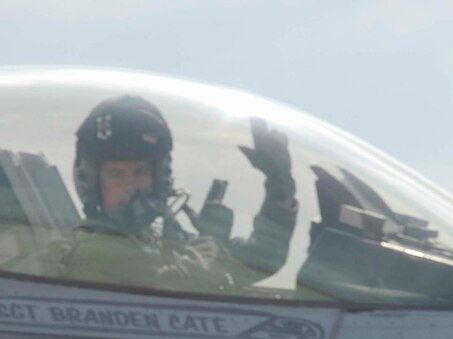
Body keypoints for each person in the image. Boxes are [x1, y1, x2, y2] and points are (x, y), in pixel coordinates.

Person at [59, 95, 298, 294]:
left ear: (159, 178)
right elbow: (174, 285)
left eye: (140, 172)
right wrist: (213, 243)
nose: (130, 185)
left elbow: (259, 262)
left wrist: (280, 189)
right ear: (92, 184)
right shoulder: (93, 250)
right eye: (116, 174)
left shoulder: (158, 242)